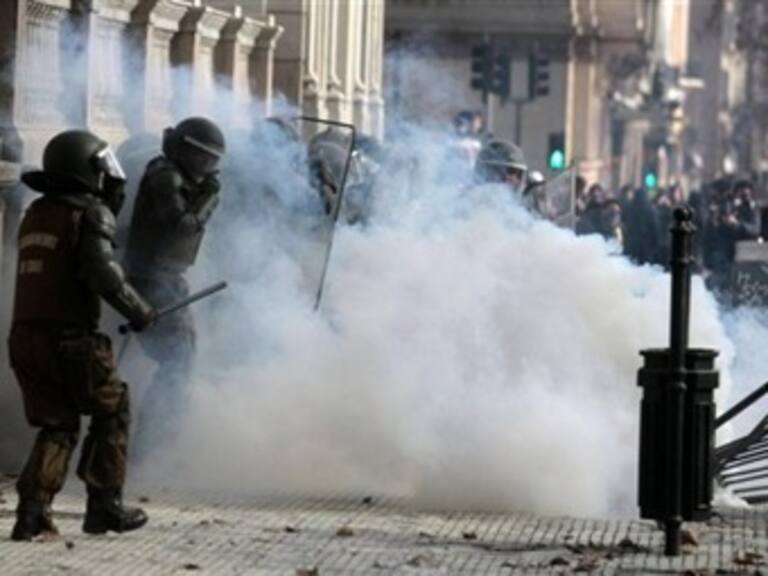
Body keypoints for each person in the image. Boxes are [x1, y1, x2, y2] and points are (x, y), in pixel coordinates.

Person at [8, 130, 156, 540]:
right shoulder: (89, 213)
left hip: (25, 339)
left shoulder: (37, 213)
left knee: (57, 422)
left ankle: (32, 513)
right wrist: (141, 312)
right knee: (113, 409)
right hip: (71, 340)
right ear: (88, 170)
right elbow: (104, 274)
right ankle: (104, 505)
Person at [124, 116, 225, 458]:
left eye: (213, 159)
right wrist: (209, 199)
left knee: (183, 355)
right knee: (178, 358)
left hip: (165, 278)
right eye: (203, 157)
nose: (208, 166)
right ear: (185, 150)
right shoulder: (165, 175)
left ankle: (160, 441)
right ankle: (149, 446)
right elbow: (182, 226)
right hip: (151, 278)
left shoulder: (176, 174)